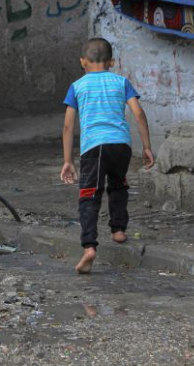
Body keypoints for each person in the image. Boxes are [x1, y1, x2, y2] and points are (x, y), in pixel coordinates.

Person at [60, 38, 154, 274]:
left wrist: (68, 160)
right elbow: (138, 113)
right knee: (118, 185)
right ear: (112, 62)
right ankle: (118, 230)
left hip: (94, 147)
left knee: (89, 195)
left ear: (83, 62)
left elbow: (68, 126)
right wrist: (146, 147)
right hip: (121, 145)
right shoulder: (121, 82)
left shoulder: (77, 86)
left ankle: (89, 246)